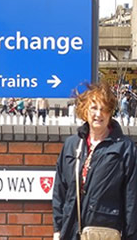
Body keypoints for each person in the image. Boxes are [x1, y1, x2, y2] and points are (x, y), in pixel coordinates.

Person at [52, 82, 137, 239]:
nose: (99, 114)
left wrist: (131, 235)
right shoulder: (72, 144)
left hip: (105, 230)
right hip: (71, 230)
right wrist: (58, 229)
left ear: (110, 113)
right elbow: (60, 190)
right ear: (84, 110)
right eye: (94, 108)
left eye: (104, 109)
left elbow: (131, 197)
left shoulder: (124, 148)